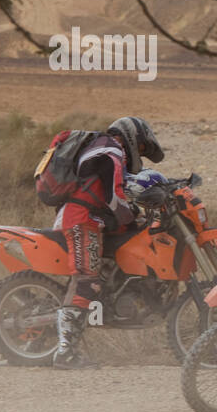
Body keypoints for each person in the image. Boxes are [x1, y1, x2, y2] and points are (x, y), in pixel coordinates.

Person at [49, 116, 164, 369]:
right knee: (86, 280)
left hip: (89, 218)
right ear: (132, 137)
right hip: (82, 220)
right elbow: (114, 198)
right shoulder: (111, 150)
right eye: (142, 147)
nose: (141, 152)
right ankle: (65, 353)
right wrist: (133, 215)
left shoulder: (107, 150)